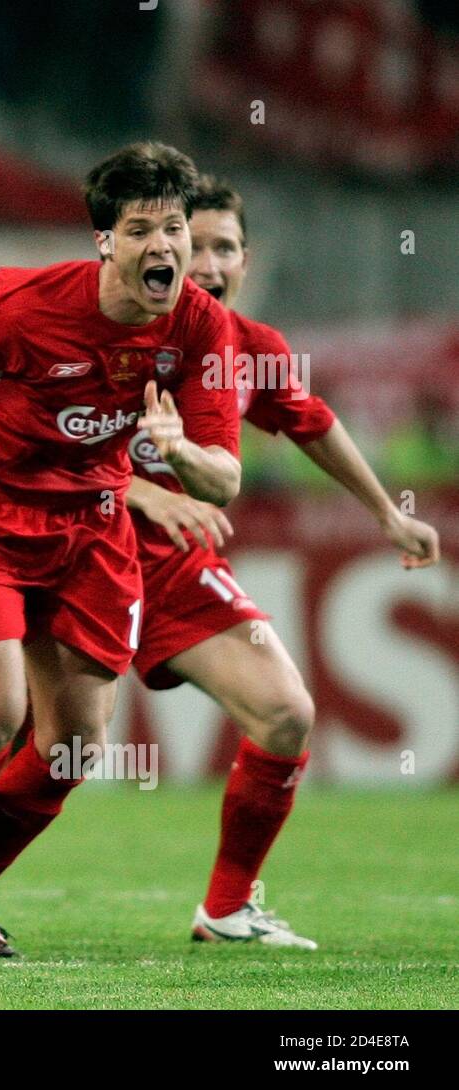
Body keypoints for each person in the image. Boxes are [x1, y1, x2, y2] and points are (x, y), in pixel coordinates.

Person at [0, 142, 241, 956]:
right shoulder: (22, 303)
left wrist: (178, 454)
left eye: (175, 228)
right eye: (141, 228)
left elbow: (222, 480)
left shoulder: (203, 329)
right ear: (104, 241)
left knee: (74, 746)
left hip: (91, 531)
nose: (165, 247)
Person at [123, 177, 442, 948]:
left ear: (245, 258)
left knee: (286, 711)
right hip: (73, 552)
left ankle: (226, 907)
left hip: (172, 569)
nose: (205, 261)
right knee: (13, 729)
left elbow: (313, 422)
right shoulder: (107, 331)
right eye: (190, 244)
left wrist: (385, 512)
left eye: (223, 246)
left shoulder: (247, 349)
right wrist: (143, 489)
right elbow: (34, 439)